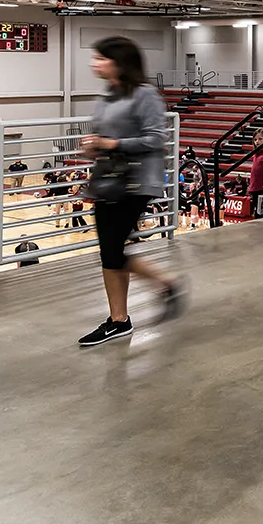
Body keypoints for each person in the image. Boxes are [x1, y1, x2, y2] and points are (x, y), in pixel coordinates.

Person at [76, 36, 185, 348]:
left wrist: (112, 144)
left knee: (112, 252)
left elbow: (155, 138)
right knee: (110, 252)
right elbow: (108, 136)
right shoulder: (107, 95)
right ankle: (121, 317)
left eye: (101, 58)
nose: (94, 63)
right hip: (109, 181)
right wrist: (95, 146)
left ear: (119, 62)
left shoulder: (145, 94)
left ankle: (157, 291)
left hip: (136, 183)